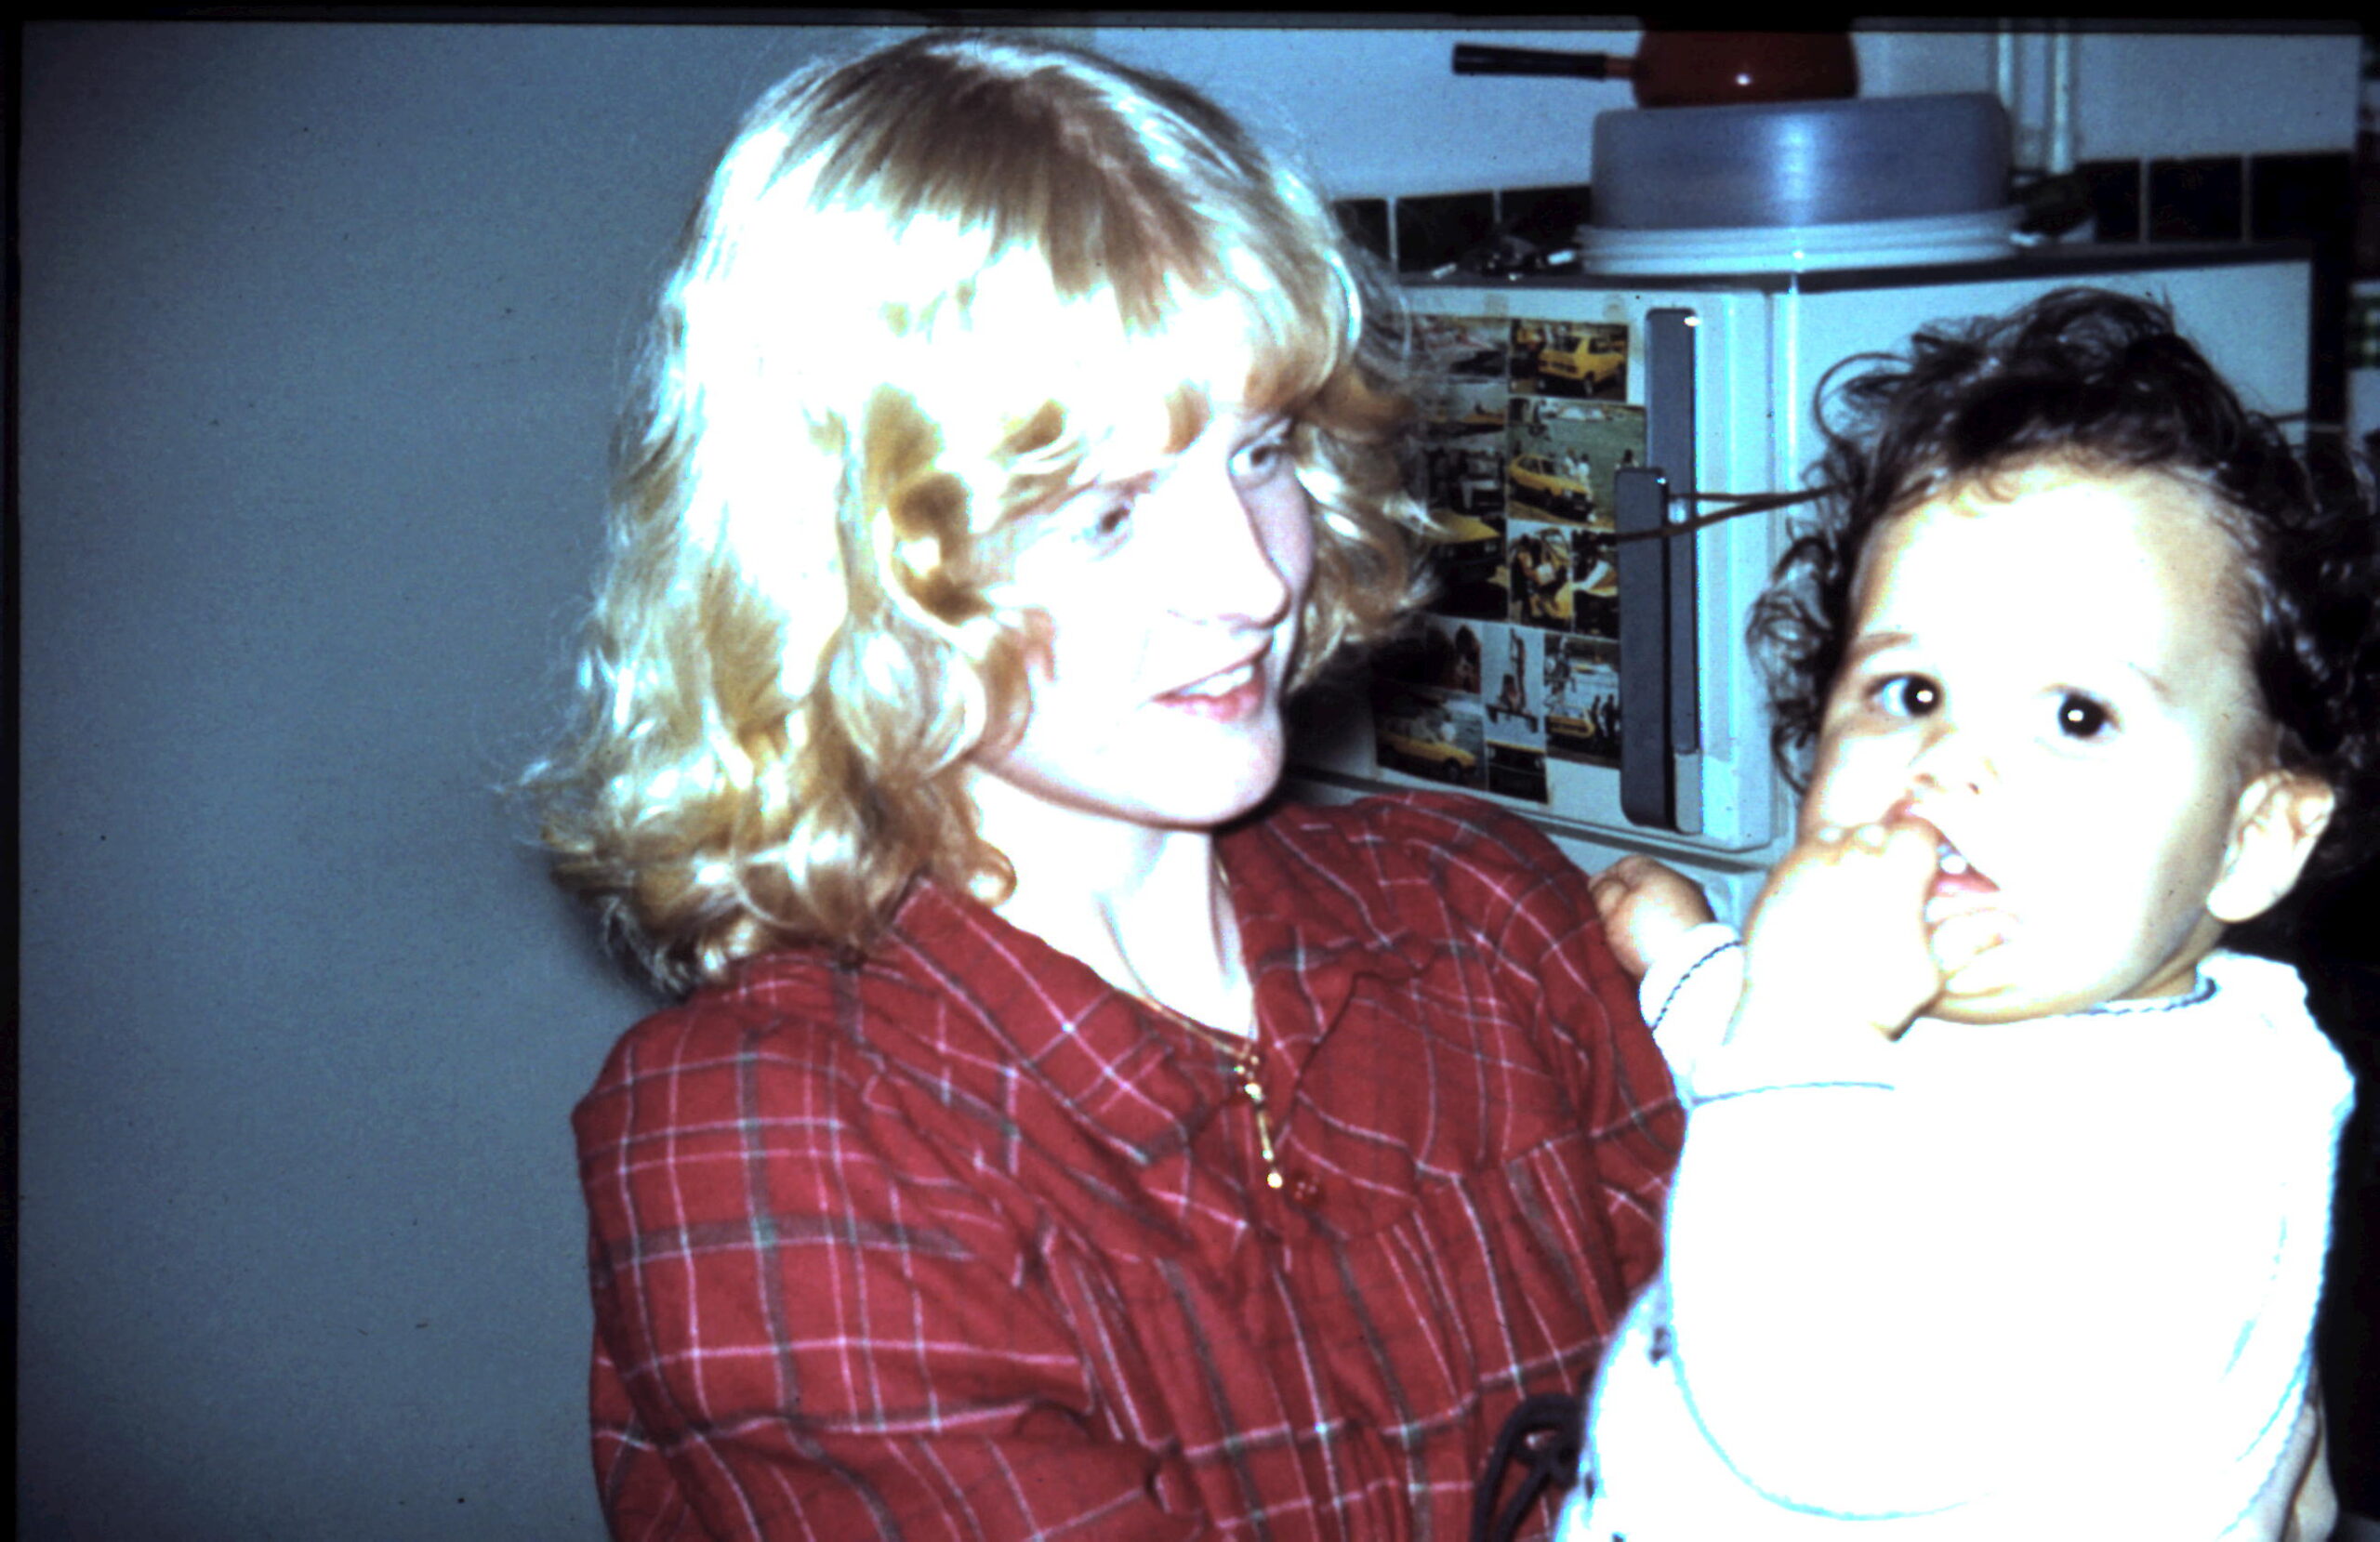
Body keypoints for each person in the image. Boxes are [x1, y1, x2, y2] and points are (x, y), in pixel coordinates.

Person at [528, 33, 1680, 1540]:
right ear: (850, 568)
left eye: (1261, 451)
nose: (1252, 581)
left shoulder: (1486, 916)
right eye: (1106, 511)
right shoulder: (772, 1135)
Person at [1560, 289, 2375, 1537]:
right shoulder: (2014, 1009)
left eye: (2077, 715)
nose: (1947, 760)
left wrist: (1799, 1019)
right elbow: (1831, 1133)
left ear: (2252, 838)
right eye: (1910, 689)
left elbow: (1819, 1413)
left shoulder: (2169, 1161)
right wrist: (1697, 970)